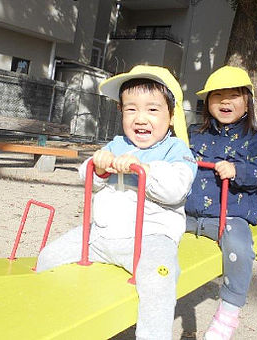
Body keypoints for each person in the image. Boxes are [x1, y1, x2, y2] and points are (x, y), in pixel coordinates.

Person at [36, 65, 197, 340]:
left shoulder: (177, 150)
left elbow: (176, 190)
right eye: (131, 109)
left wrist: (142, 169)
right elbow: (87, 176)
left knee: (160, 279)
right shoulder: (116, 145)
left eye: (152, 109)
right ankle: (56, 321)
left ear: (171, 116)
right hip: (100, 235)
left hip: (149, 237)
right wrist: (97, 168)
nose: (140, 118)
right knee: (48, 258)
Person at [185, 66, 257, 340]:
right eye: (218, 96)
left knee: (239, 247)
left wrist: (238, 170)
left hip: (228, 217)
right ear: (208, 102)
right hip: (188, 213)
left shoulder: (256, 143)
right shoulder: (192, 134)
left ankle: (228, 313)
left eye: (234, 96)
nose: (225, 102)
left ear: (247, 102)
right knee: (155, 226)